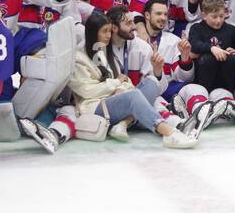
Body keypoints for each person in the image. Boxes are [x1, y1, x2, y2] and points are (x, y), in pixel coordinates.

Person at [68, 12, 201, 148]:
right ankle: (168, 133)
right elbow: (87, 91)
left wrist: (121, 88)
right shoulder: (79, 58)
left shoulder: (102, 51)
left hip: (110, 100)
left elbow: (123, 81)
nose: (108, 35)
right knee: (133, 96)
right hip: (93, 107)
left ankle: (125, 123)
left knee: (151, 83)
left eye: (109, 31)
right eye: (104, 31)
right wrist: (116, 84)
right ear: (92, 33)